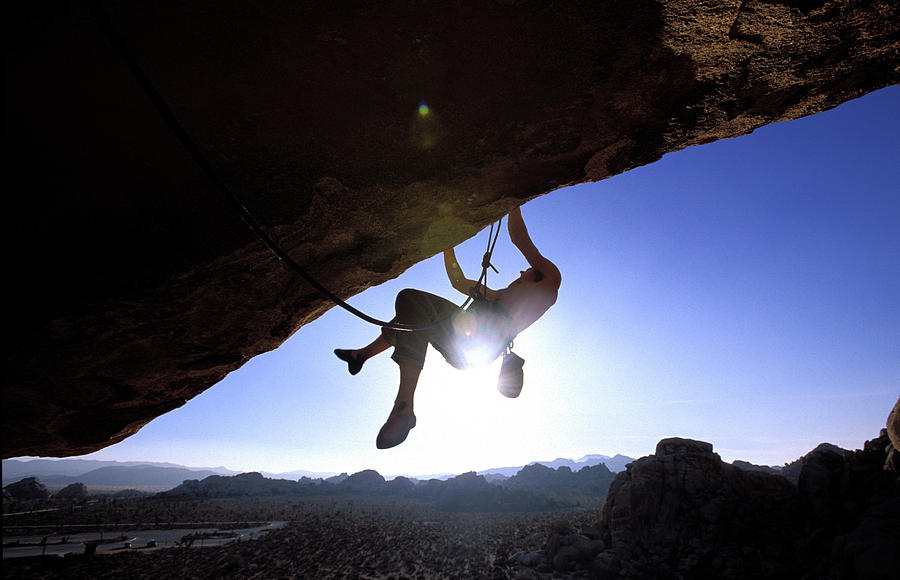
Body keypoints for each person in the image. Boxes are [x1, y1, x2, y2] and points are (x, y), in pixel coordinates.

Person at [334, 206, 561, 449]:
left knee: (411, 300)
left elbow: (519, 237)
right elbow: (458, 281)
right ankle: (362, 355)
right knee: (415, 315)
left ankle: (405, 403)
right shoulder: (498, 296)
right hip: (467, 353)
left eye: (526, 270)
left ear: (536, 273)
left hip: (472, 343)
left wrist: (514, 201)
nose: (521, 270)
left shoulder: (550, 280)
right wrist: (447, 245)